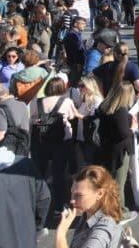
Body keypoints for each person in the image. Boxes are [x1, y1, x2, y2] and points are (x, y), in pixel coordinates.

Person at [30, 78, 83, 216]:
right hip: (61, 140)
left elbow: (32, 117)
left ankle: (36, 203)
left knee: (39, 173)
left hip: (40, 141)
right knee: (58, 173)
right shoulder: (66, 102)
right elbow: (72, 116)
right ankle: (59, 206)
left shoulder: (37, 101)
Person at [55, 165, 123, 248]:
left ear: (99, 194)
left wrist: (61, 233)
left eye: (78, 195)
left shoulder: (102, 231)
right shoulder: (87, 214)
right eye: (72, 194)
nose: (72, 200)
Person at [96, 81, 136, 214]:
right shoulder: (121, 111)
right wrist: (133, 128)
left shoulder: (105, 106)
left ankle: (108, 208)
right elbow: (124, 133)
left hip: (108, 148)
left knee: (109, 181)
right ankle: (120, 211)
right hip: (120, 151)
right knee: (119, 182)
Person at [75, 75, 104, 168]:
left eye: (82, 85)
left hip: (91, 138)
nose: (79, 88)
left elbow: (95, 118)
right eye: (79, 85)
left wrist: (78, 115)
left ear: (89, 87)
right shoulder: (84, 99)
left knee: (91, 165)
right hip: (82, 136)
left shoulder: (97, 100)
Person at [63, 17, 87, 86]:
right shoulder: (73, 35)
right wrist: (77, 63)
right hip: (76, 64)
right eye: (82, 23)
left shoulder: (76, 34)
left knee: (74, 80)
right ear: (76, 24)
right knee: (74, 82)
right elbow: (74, 50)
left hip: (76, 63)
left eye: (85, 24)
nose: (84, 25)